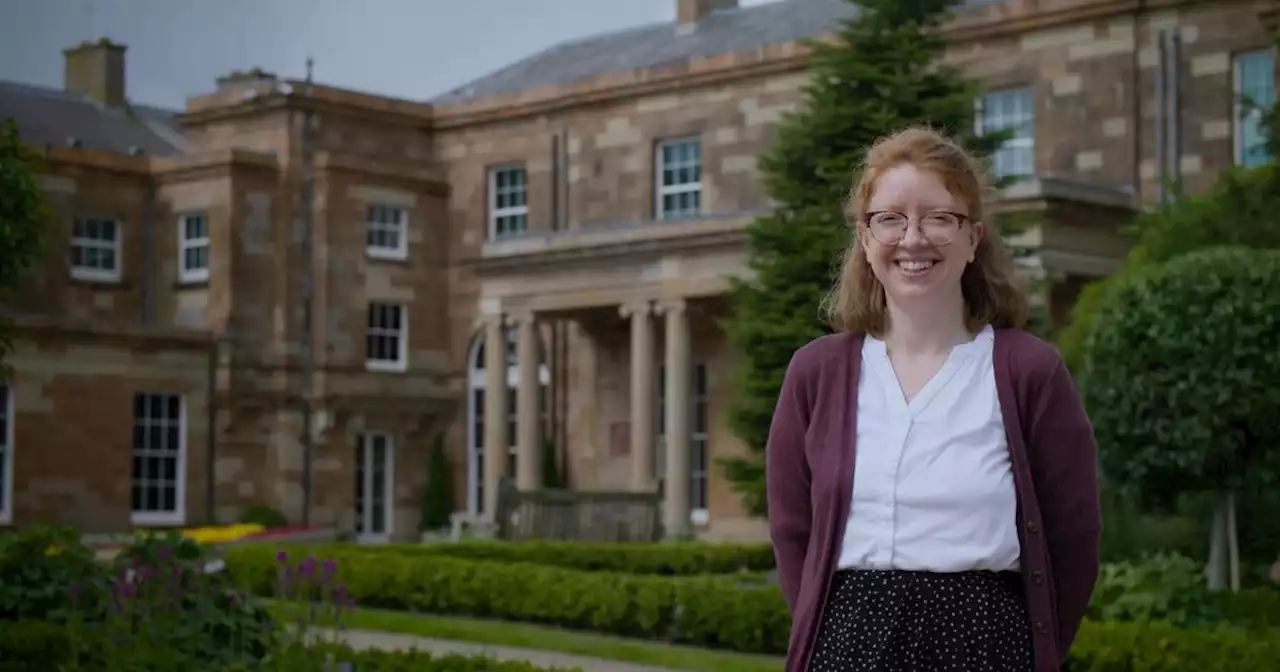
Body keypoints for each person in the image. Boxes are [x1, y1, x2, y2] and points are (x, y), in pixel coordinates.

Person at [766, 126, 1101, 672]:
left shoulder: (1029, 372)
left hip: (987, 645)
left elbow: (1074, 537)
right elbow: (792, 532)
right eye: (890, 218)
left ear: (973, 238)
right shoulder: (816, 373)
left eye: (940, 218)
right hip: (849, 643)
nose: (913, 238)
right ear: (866, 239)